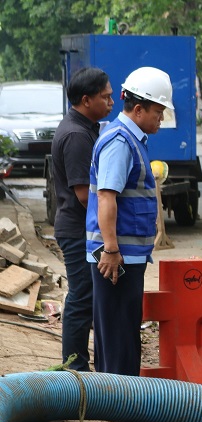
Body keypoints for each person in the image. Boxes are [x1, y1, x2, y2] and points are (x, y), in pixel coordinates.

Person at [86, 66, 173, 376]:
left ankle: (118, 401)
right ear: (139, 109)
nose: (161, 118)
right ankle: (117, 404)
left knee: (121, 331)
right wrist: (110, 249)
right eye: (158, 111)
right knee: (118, 334)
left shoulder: (128, 138)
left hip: (125, 256)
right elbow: (106, 197)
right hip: (116, 257)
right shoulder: (121, 142)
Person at [51, 67, 114, 371]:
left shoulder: (85, 127)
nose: (111, 102)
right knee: (82, 296)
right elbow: (85, 195)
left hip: (80, 228)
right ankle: (74, 368)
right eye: (106, 97)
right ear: (87, 100)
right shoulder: (77, 135)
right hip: (77, 230)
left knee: (90, 295)